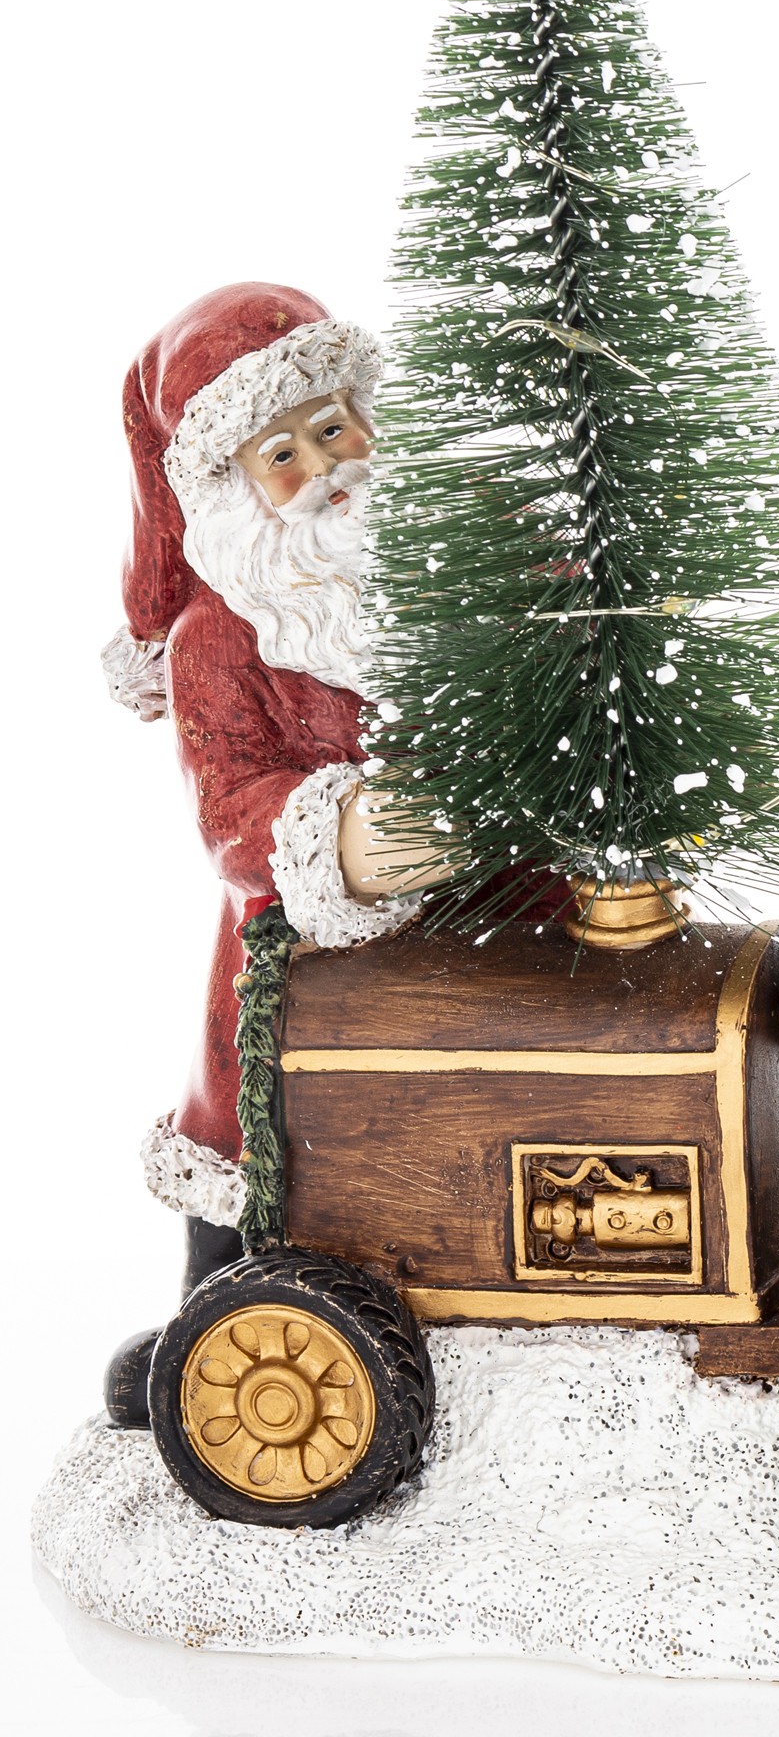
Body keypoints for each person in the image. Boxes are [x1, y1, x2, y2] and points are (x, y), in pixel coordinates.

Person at [99, 283, 443, 1418]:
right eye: (282, 453)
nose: (325, 468)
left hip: (480, 913)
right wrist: (339, 834)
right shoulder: (220, 637)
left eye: (333, 428)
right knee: (255, 1122)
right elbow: (230, 807)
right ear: (233, 486)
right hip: (296, 934)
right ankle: (217, 1307)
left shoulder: (445, 569)